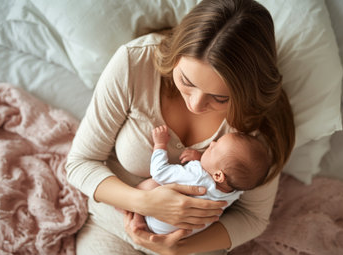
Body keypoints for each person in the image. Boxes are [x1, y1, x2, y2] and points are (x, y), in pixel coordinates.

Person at [65, 0, 295, 254]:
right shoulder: (136, 63)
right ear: (175, 55)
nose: (196, 104)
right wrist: (143, 202)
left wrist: (179, 248)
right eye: (186, 81)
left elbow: (252, 217)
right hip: (113, 228)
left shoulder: (259, 123)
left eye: (220, 98)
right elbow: (79, 163)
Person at [129, 125, 270, 236]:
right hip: (182, 233)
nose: (212, 143)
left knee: (152, 184)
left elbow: (159, 172)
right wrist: (200, 158)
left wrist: (160, 145)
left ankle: (134, 211)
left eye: (214, 149)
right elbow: (212, 186)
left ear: (218, 176)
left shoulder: (197, 176)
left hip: (157, 222)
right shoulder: (234, 192)